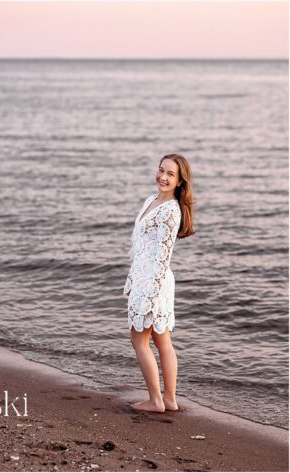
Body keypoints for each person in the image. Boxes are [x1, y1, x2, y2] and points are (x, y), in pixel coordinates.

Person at [124, 154, 195, 412]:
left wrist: (150, 294)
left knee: (139, 340)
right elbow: (139, 247)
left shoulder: (171, 211)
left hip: (154, 281)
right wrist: (132, 281)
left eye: (170, 174)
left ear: (179, 182)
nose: (163, 177)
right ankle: (169, 400)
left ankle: (157, 400)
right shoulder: (150, 200)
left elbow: (163, 258)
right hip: (143, 278)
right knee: (161, 340)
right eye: (161, 170)